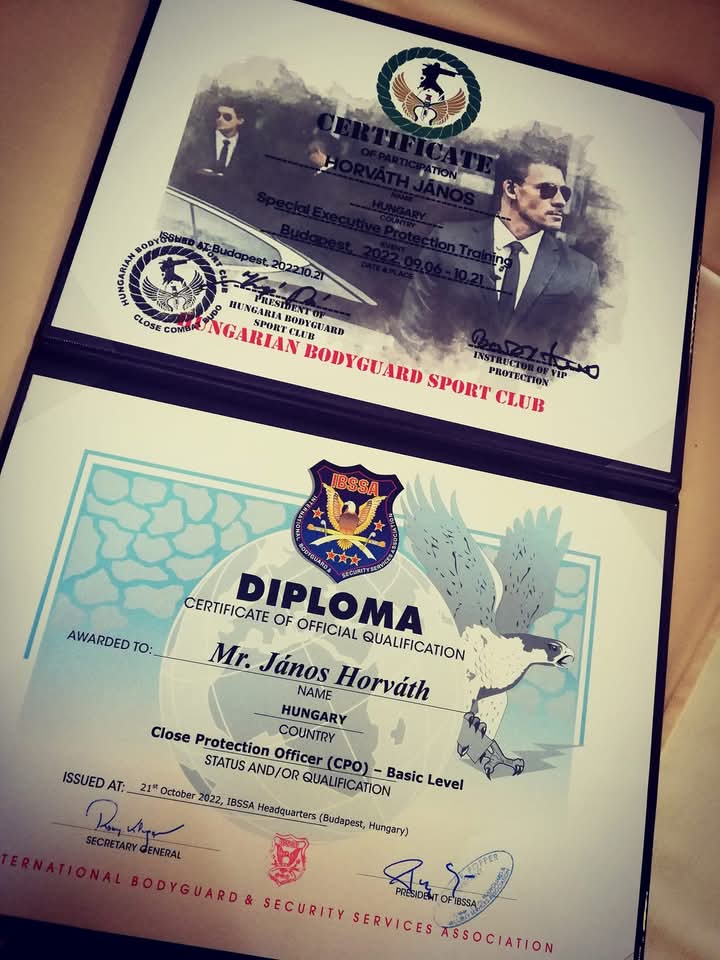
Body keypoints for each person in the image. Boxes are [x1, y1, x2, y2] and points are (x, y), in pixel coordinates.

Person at [395, 147, 600, 356]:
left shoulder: (582, 274)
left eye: (564, 192)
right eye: (547, 189)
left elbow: (580, 356)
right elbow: (412, 333)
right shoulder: (447, 241)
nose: (560, 201)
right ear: (511, 189)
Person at [170, 100, 251, 214]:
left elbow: (248, 185)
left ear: (240, 120)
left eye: (227, 117)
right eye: (218, 115)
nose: (220, 119)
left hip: (227, 212)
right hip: (190, 205)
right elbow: (178, 170)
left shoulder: (249, 149)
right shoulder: (198, 137)